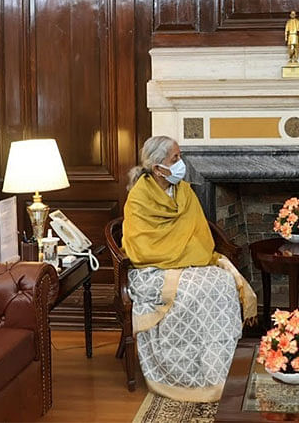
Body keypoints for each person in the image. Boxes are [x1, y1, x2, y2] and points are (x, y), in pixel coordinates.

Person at [122, 135, 257, 402]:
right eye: (175, 158)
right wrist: (181, 257)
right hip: (153, 270)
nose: (181, 163)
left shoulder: (183, 191)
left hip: (189, 262)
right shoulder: (139, 198)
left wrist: (186, 256)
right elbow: (142, 246)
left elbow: (198, 235)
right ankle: (185, 374)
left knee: (222, 284)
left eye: (179, 156)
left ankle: (222, 369)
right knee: (194, 293)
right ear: (158, 166)